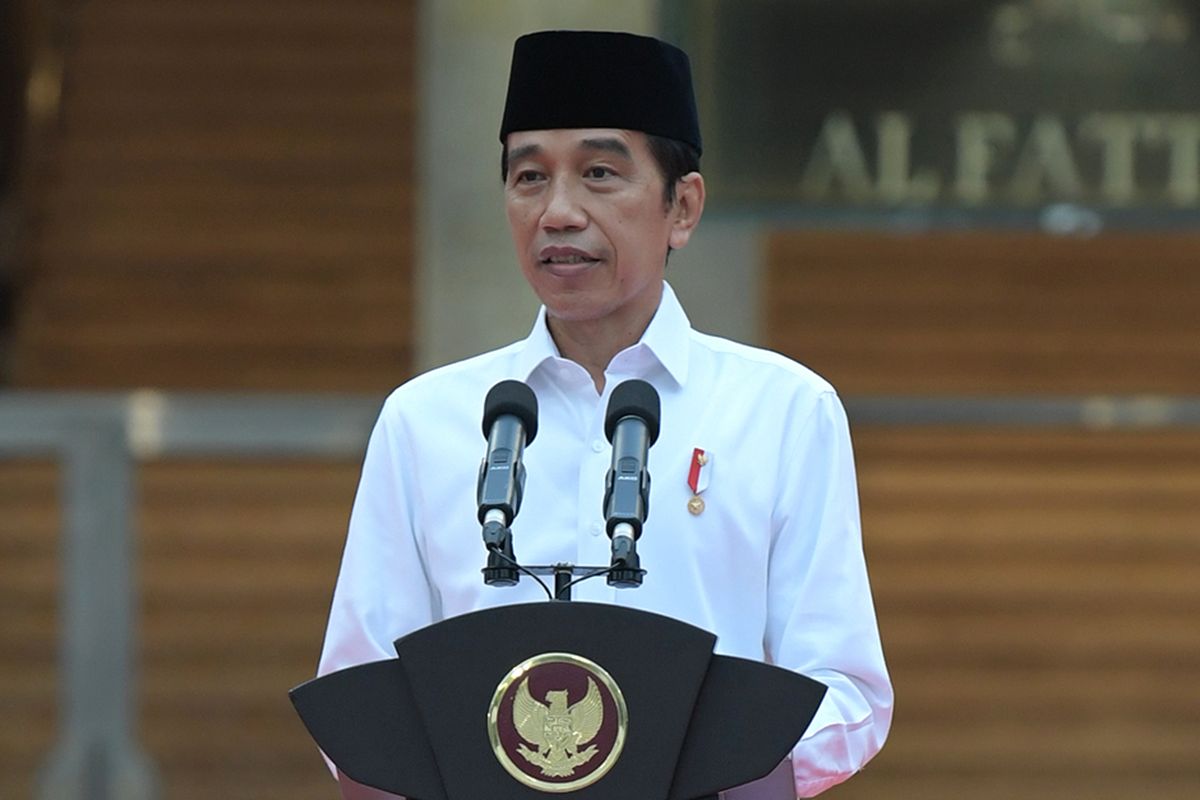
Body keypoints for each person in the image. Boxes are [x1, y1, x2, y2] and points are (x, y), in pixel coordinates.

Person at [318, 30, 892, 799]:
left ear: (681, 207)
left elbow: (845, 691)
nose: (558, 212)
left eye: (598, 174)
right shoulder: (425, 421)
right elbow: (363, 687)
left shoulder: (784, 410)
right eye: (529, 177)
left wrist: (717, 780)